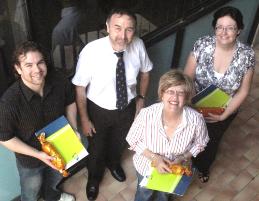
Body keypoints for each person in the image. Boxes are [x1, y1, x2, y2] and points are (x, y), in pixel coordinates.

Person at [72, 8, 153, 200]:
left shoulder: (139, 45)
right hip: (98, 109)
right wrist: (84, 118)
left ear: (134, 31)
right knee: (96, 148)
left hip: (127, 106)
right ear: (107, 27)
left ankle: (114, 163)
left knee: (120, 141)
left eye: (129, 30)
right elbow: (80, 88)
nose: (122, 35)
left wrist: (141, 99)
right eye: (117, 28)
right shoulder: (91, 51)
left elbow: (146, 72)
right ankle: (94, 178)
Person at [184, 6, 255, 183]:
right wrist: (192, 104)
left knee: (210, 142)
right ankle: (183, 166)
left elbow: (244, 90)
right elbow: (187, 77)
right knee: (187, 137)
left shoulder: (247, 55)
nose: (223, 32)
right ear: (214, 28)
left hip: (222, 109)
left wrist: (224, 115)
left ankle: (202, 167)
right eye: (219, 27)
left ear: (239, 30)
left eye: (230, 27)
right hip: (194, 103)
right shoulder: (202, 44)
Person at [0, 41, 77, 201]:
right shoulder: (9, 102)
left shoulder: (58, 80)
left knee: (55, 180)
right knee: (31, 191)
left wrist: (73, 128)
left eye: (40, 62)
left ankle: (53, 197)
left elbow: (70, 101)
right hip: (31, 158)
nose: (37, 70)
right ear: (18, 68)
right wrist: (39, 155)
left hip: (60, 145)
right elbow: (5, 138)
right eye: (28, 65)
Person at [126, 70, 209, 201]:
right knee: (144, 193)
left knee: (164, 195)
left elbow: (201, 143)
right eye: (170, 91)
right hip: (146, 168)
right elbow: (132, 139)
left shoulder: (196, 120)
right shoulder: (146, 114)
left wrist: (182, 157)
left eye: (180, 93)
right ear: (162, 94)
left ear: (186, 97)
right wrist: (155, 158)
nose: (175, 98)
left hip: (175, 169)